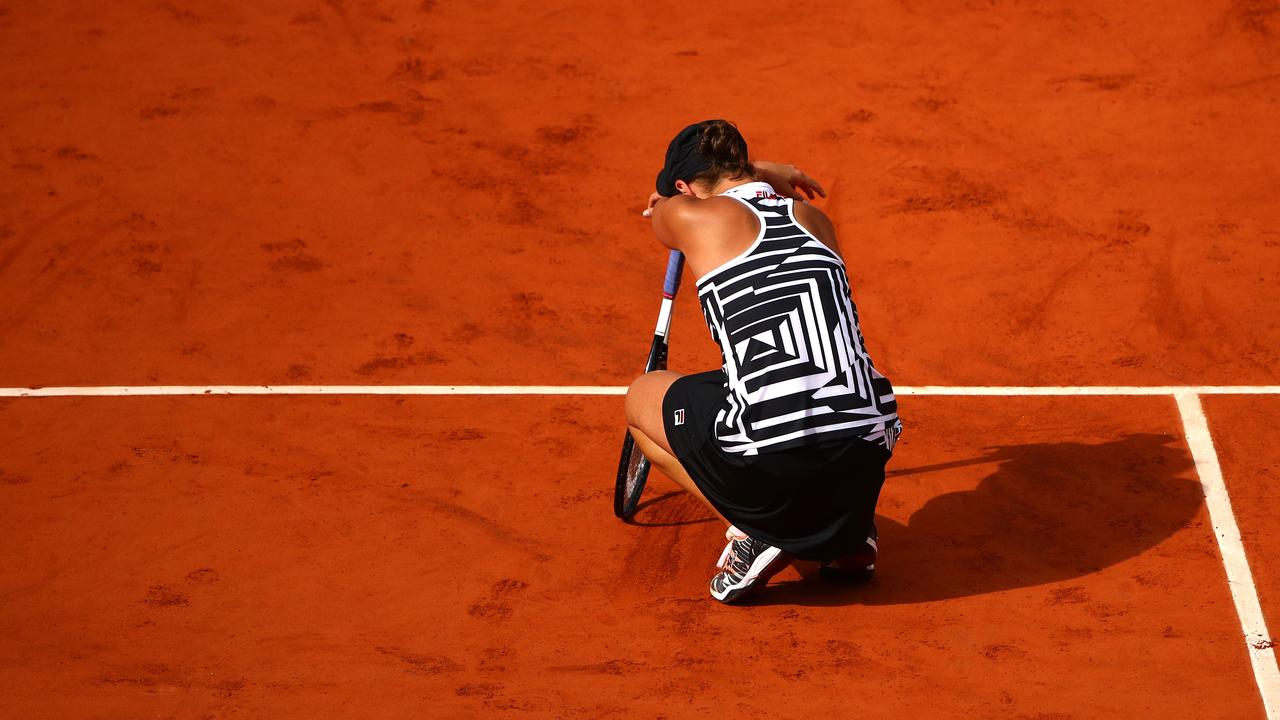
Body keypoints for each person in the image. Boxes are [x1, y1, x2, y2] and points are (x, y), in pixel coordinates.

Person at [625, 119, 902, 604]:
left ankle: (758, 531)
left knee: (642, 398)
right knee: (803, 384)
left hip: (777, 459)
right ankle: (849, 536)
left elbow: (660, 215)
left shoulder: (689, 217)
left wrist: (664, 197)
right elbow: (742, 187)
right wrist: (772, 172)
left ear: (687, 188)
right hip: (864, 455)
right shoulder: (815, 220)